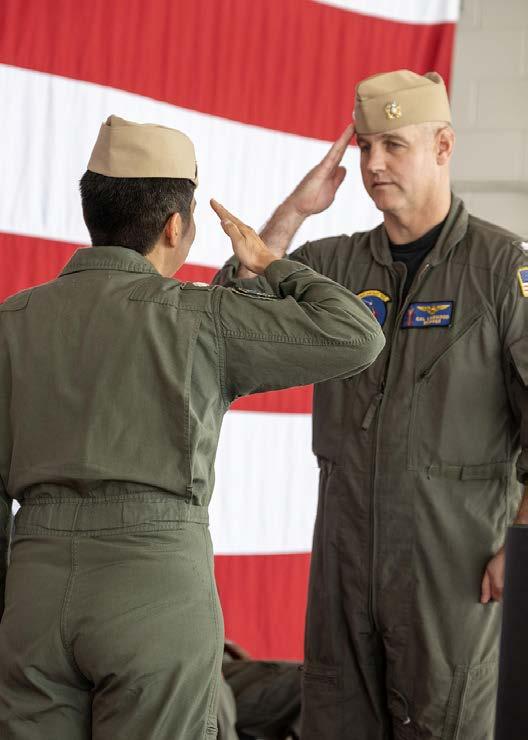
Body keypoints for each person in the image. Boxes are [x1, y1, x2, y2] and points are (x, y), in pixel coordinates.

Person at [0, 115, 383, 740]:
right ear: (175, 226)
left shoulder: (12, 320)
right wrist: (270, 262)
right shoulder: (200, 318)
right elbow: (356, 334)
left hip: (34, 593)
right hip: (152, 590)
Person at [214, 70, 528, 739]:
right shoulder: (334, 267)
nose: (374, 164)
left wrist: (521, 540)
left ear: (443, 147)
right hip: (345, 568)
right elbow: (232, 318)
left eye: (393, 144)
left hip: (454, 570)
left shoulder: (503, 269)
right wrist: (296, 211)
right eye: (363, 147)